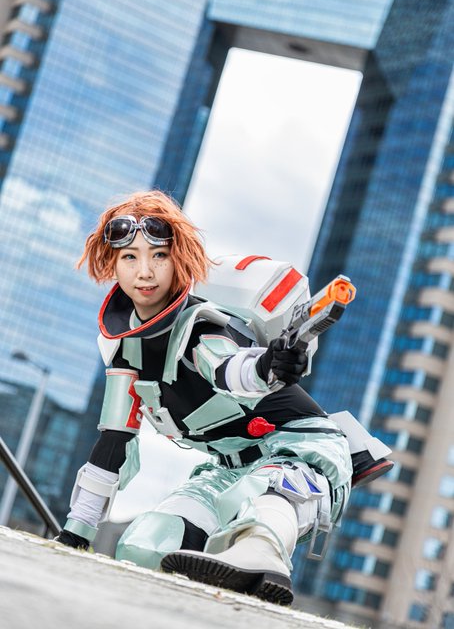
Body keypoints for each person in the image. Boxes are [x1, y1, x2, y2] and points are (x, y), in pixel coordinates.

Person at [56, 190, 392, 606]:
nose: (144, 272)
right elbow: (114, 441)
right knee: (145, 545)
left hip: (301, 453)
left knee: (268, 514)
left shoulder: (200, 325)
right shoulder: (125, 351)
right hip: (228, 470)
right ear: (112, 263)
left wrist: (270, 364)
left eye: (159, 256)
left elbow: (232, 369)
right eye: (129, 257)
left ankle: (261, 557)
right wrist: (77, 531)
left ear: (178, 260)